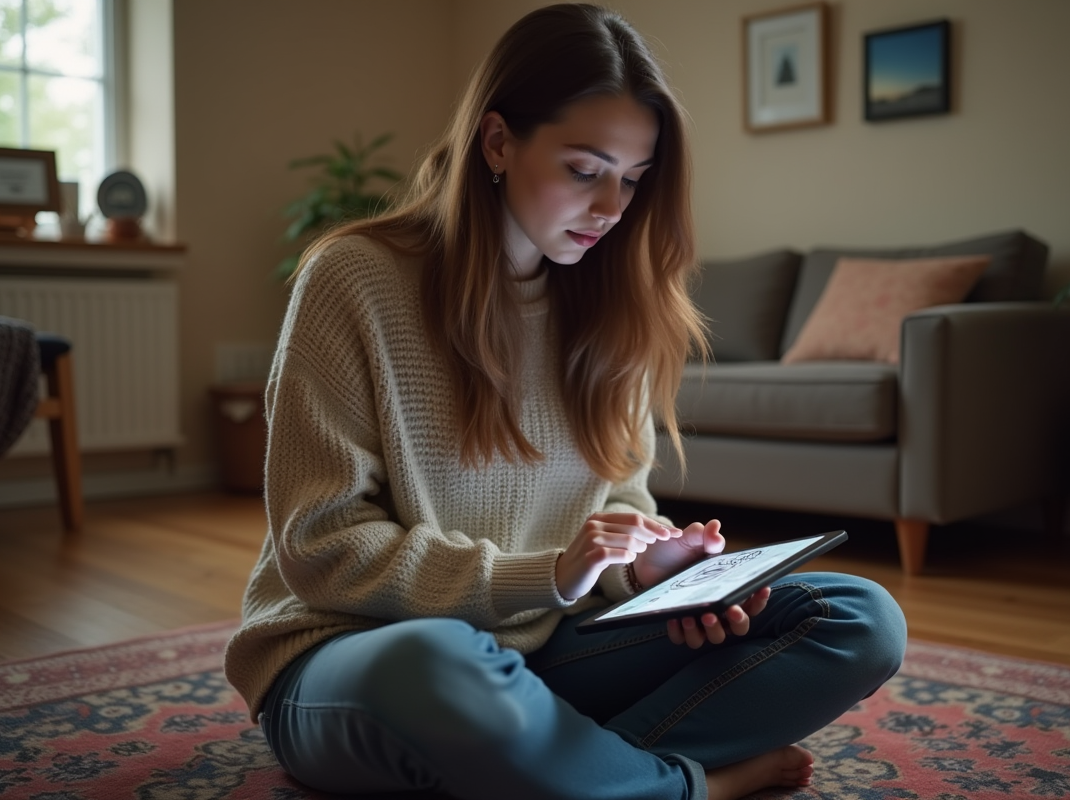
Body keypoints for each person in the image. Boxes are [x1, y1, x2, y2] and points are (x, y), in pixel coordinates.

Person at [223, 5, 907, 799]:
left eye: (633, 179)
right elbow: (321, 547)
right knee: (438, 661)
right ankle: (690, 786)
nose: (613, 208)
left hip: (542, 656)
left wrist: (652, 572)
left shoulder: (614, 302)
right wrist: (546, 573)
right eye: (585, 170)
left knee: (856, 614)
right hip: (357, 659)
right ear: (499, 142)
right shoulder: (355, 278)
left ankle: (565, 772)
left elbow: (620, 500)